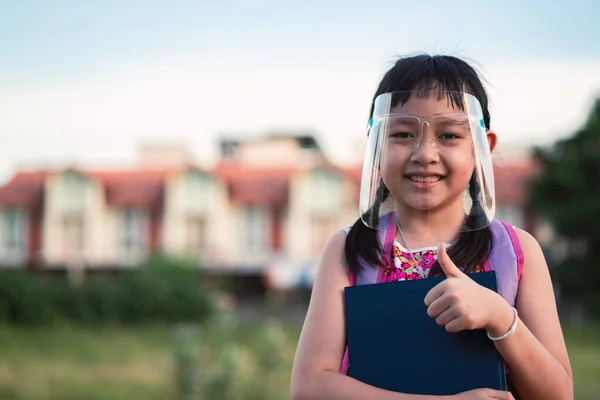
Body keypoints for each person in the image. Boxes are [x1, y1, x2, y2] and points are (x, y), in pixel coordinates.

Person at [290, 54, 573, 400]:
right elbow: (309, 387)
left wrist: (501, 318)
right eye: (403, 133)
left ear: (483, 147)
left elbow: (559, 395)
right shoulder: (348, 249)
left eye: (450, 135)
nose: (425, 153)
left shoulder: (515, 251)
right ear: (375, 145)